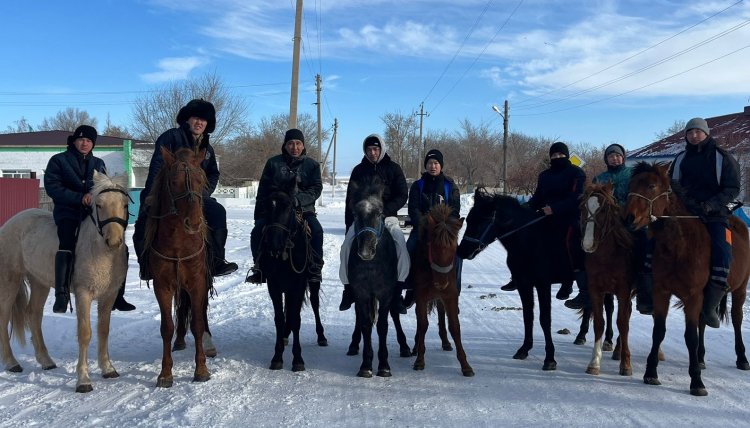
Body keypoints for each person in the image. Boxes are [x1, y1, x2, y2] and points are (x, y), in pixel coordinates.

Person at [133, 99, 238, 279]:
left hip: (195, 196)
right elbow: (157, 166)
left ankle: (217, 261)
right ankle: (146, 265)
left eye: (203, 120)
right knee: (143, 223)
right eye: (196, 118)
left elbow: (213, 173)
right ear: (187, 119)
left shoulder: (208, 149)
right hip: (166, 195)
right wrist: (151, 195)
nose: (199, 122)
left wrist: (203, 192)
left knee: (218, 212)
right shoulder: (170, 137)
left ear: (208, 124)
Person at [44, 125, 135, 313]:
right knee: (67, 241)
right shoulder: (58, 161)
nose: (85, 143)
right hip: (67, 212)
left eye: (89, 140)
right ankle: (61, 294)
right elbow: (53, 187)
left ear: (93, 144)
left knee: (120, 245)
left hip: (92, 214)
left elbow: (102, 188)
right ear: (74, 141)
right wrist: (79, 197)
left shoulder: (98, 163)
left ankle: (118, 295)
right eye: (81, 139)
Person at [667, 118, 740, 328]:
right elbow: (674, 184)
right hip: (685, 212)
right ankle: (650, 288)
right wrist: (689, 203)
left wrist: (710, 204)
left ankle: (710, 304)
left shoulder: (722, 157)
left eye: (698, 132)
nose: (693, 135)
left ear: (706, 133)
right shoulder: (681, 158)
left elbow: (732, 187)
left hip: (716, 214)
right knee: (656, 240)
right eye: (690, 132)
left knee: (723, 249)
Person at [338, 134, 410, 311]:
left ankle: (398, 291)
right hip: (363, 220)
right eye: (369, 149)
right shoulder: (358, 170)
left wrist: (384, 211)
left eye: (376, 149)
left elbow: (402, 194)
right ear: (365, 150)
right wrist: (350, 226)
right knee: (346, 247)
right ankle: (348, 289)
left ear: (382, 149)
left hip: (387, 217)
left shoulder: (393, 168)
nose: (372, 152)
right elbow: (350, 200)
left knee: (401, 246)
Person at [245, 128, 324, 285]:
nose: (294, 147)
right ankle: (259, 268)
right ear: (285, 145)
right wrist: (259, 217)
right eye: (291, 143)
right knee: (256, 232)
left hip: (303, 210)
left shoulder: (312, 165)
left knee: (317, 231)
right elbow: (263, 191)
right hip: (276, 211)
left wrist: (297, 200)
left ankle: (315, 267)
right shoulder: (273, 163)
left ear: (303, 145)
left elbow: (316, 189)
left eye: (298, 143)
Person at [592, 144, 653, 315]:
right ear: (606, 159)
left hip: (630, 221)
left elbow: (639, 197)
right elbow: (594, 201)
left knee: (644, 246)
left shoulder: (632, 175)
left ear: (623, 158)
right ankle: (585, 288)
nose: (614, 158)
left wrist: (623, 209)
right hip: (605, 224)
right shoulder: (600, 178)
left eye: (618, 155)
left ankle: (644, 293)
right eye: (611, 156)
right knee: (586, 244)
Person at [526, 142, 589, 310]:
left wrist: (554, 209)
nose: (557, 158)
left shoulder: (576, 173)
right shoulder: (544, 175)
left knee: (571, 244)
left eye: (561, 155)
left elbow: (577, 197)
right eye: (554, 156)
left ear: (567, 156)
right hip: (546, 217)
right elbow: (538, 197)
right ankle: (522, 276)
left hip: (570, 217)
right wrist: (523, 210)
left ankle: (582, 289)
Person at [402, 149, 461, 310]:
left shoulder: (450, 185)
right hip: (422, 229)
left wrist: (445, 225)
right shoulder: (418, 185)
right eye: (429, 163)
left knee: (458, 255)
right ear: (425, 165)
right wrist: (423, 223)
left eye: (436, 163)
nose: (432, 166)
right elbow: (413, 208)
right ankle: (410, 288)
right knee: (409, 249)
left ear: (441, 165)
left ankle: (456, 291)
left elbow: (455, 208)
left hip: (444, 231)